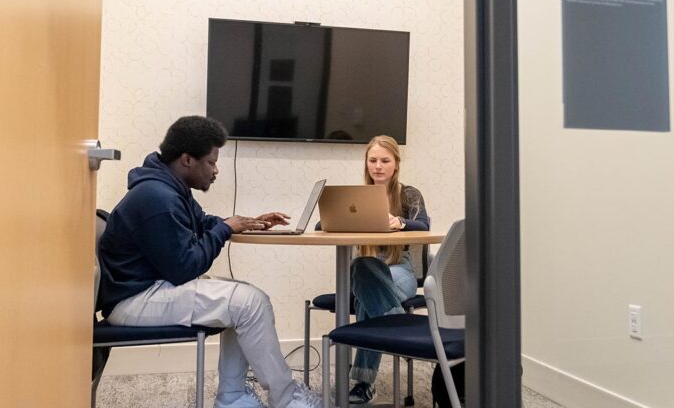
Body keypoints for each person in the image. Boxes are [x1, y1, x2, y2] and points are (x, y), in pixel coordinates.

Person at [97, 116, 322, 408]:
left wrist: (243, 222)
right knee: (249, 302)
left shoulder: (167, 186)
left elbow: (202, 222)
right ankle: (288, 399)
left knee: (243, 302)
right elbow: (186, 267)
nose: (216, 171)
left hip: (145, 288)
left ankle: (233, 398)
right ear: (187, 160)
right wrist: (226, 228)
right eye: (212, 163)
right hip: (134, 299)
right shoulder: (156, 197)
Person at [347, 135, 430, 404]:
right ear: (366, 164)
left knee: (365, 299)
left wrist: (401, 223)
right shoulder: (356, 197)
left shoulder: (408, 194)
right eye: (373, 160)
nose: (378, 166)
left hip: (399, 269)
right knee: (362, 266)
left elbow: (424, 225)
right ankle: (398, 327)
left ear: (396, 164)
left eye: (385, 160)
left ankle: (363, 383)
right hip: (368, 270)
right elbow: (320, 226)